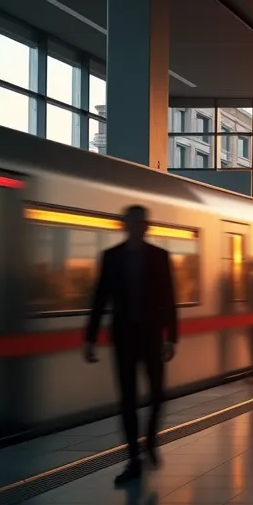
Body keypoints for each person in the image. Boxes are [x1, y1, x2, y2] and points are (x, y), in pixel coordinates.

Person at [84, 205, 178, 485]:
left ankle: (149, 441)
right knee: (127, 401)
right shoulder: (111, 258)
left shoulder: (159, 257)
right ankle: (134, 458)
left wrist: (171, 336)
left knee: (158, 395)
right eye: (131, 222)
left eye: (139, 222)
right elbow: (100, 298)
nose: (135, 226)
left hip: (151, 338)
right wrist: (90, 337)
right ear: (125, 225)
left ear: (145, 226)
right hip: (123, 338)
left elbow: (168, 298)